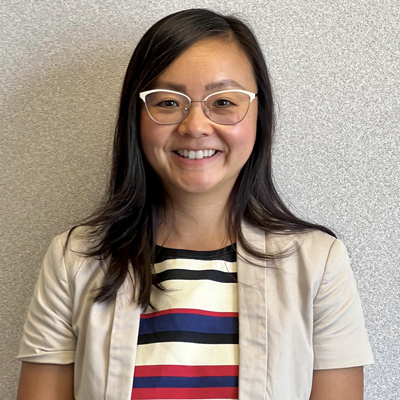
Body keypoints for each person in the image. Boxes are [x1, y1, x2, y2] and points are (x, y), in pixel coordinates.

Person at [16, 8, 374, 400]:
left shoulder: (319, 263)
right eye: (169, 102)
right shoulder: (74, 260)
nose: (196, 126)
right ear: (136, 116)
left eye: (224, 102)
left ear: (260, 115)